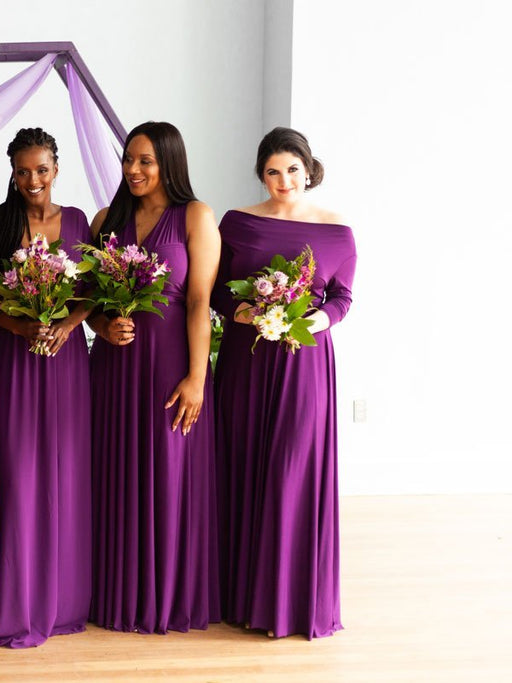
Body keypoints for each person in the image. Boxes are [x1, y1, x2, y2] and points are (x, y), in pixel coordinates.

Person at [213, 126, 357, 639]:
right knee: (245, 464)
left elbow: (341, 296)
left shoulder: (337, 230)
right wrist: (245, 312)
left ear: (308, 168)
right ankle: (241, 599)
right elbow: (214, 291)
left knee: (294, 469)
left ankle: (293, 602)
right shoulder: (237, 223)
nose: (283, 180)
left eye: (291, 169)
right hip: (245, 364)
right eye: (273, 171)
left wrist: (318, 321)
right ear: (262, 174)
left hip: (305, 365)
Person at [87, 121, 221, 633]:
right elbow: (90, 302)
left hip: (169, 365)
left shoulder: (196, 216)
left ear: (168, 162)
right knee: (114, 472)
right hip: (115, 366)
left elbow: (200, 301)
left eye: (145, 161)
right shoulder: (106, 219)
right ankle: (112, 595)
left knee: (168, 475)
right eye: (128, 160)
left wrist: (197, 378)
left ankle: (166, 598)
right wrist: (103, 325)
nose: (133, 170)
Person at [0, 128, 92, 647]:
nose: (32, 180)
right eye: (22, 171)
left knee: (65, 470)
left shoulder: (80, 222)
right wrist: (25, 326)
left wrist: (66, 326)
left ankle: (65, 597)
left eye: (41, 169)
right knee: (15, 470)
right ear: (12, 172)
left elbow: (95, 294)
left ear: (56, 168)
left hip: (67, 361)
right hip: (13, 360)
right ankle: (14, 597)